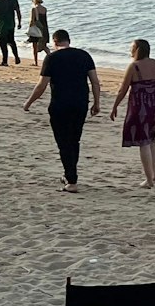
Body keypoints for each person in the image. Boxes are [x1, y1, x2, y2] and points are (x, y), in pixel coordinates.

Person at [23, 29, 100, 193]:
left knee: (63, 142)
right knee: (74, 140)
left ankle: (72, 180)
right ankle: (70, 174)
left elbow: (42, 85)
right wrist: (97, 103)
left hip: (60, 105)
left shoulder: (52, 58)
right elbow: (95, 82)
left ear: (54, 41)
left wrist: (28, 103)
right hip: (80, 104)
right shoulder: (84, 55)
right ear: (69, 40)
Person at [110, 38, 155, 188]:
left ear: (137, 50)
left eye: (131, 48)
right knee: (151, 138)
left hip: (141, 108)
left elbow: (123, 89)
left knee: (143, 142)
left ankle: (149, 180)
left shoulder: (134, 67)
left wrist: (115, 106)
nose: (130, 50)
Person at [26, 0, 51, 67]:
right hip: (45, 28)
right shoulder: (44, 9)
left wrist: (29, 29)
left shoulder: (34, 9)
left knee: (35, 46)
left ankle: (36, 62)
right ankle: (51, 57)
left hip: (37, 29)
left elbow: (32, 20)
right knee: (44, 46)